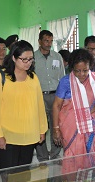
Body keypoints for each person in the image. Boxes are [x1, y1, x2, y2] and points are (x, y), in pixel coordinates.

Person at [0, 40, 47, 170]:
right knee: (8, 176)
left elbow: (39, 105)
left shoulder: (33, 77)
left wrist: (42, 129)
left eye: (31, 59)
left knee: (23, 175)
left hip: (29, 135)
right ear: (14, 58)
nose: (28, 63)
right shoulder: (0, 77)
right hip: (8, 138)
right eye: (24, 59)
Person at [52, 48, 95, 174]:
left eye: (85, 70)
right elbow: (56, 105)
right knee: (73, 159)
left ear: (90, 66)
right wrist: (56, 129)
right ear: (72, 68)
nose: (81, 74)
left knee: (94, 162)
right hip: (72, 128)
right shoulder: (66, 81)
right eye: (77, 71)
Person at [34, 30, 65, 161]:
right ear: (40, 41)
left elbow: (62, 77)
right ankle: (42, 156)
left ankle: (55, 154)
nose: (49, 44)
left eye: (51, 41)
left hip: (55, 96)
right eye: (46, 41)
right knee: (39, 126)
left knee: (56, 125)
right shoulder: (33, 57)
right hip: (38, 96)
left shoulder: (57, 57)